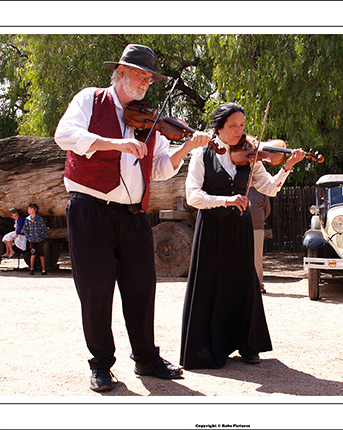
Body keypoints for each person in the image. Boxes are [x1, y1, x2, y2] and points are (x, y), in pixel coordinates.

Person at [54, 44, 211, 392]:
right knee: (95, 291)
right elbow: (63, 135)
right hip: (90, 211)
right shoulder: (90, 99)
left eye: (149, 78)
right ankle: (101, 365)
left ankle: (146, 358)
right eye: (140, 75)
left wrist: (184, 148)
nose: (145, 82)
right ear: (120, 72)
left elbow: (157, 171)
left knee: (142, 289)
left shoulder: (150, 119)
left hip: (134, 216)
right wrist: (115, 144)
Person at [180, 102, 306, 370]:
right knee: (211, 283)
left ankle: (246, 344)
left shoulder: (251, 155)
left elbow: (270, 189)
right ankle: (209, 347)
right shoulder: (202, 155)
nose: (240, 131)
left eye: (242, 125)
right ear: (219, 128)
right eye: (233, 126)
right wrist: (226, 200)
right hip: (212, 228)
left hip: (239, 228)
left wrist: (288, 166)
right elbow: (193, 197)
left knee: (243, 283)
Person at [248, 188, 271, 294]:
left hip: (257, 228)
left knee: (257, 258)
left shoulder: (262, 190)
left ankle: (258, 285)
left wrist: (258, 221)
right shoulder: (240, 187)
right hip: (240, 228)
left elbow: (267, 210)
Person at [22, 203, 48, 275]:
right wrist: (28, 237)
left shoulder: (39, 219)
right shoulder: (27, 220)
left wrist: (41, 237)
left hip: (39, 240)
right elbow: (25, 229)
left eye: (31, 209)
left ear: (35, 210)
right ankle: (31, 269)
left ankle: (43, 269)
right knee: (33, 254)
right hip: (32, 240)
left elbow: (44, 229)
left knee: (41, 255)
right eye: (28, 209)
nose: (29, 210)